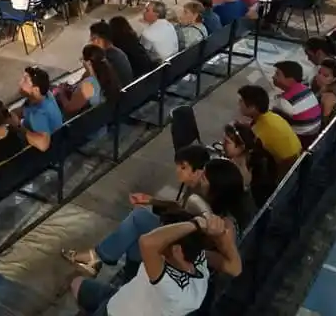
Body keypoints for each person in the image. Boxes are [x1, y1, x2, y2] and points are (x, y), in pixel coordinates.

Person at [62, 144, 213, 277]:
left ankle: (97, 257)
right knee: (137, 230)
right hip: (176, 229)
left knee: (138, 218)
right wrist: (150, 200)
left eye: (183, 167)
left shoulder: (200, 196)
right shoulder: (194, 186)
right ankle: (132, 274)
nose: (177, 170)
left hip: (182, 242)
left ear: (199, 172)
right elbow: (180, 206)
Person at [70, 212, 240, 316]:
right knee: (76, 284)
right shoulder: (198, 261)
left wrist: (196, 223)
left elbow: (147, 242)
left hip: (115, 313)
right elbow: (234, 268)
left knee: (79, 287)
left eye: (161, 233)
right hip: (124, 297)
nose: (155, 233)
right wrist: (220, 236)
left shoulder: (174, 290)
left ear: (176, 250)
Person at [237, 84, 302, 170]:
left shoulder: (261, 130)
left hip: (288, 166)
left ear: (252, 108)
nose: (239, 103)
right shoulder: (272, 116)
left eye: (242, 101)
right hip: (298, 156)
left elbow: (250, 145)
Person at [221, 121, 278, 208]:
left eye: (227, 142)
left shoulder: (249, 169)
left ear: (242, 147)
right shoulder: (243, 158)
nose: (222, 144)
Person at [58, 44, 122, 115]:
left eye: (82, 59)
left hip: (90, 122)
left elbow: (69, 109)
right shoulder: (108, 74)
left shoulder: (89, 85)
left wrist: (61, 93)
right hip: (105, 117)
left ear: (88, 63)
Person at [270, 60, 322, 145]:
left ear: (290, 79)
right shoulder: (305, 89)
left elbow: (274, 125)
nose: (273, 77)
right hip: (313, 136)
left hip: (301, 140)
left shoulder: (284, 101)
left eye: (277, 74)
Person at [11, 66, 64, 151]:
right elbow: (22, 110)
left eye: (25, 81)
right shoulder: (45, 95)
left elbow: (43, 145)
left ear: (35, 90)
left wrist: (18, 126)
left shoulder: (38, 114)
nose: (20, 83)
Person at [88, 20, 135, 87]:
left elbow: (96, 82)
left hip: (119, 94)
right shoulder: (118, 52)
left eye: (93, 39)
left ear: (99, 40)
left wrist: (89, 68)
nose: (91, 43)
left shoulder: (106, 59)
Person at [314, 56, 336, 126]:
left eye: (325, 75)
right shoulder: (331, 86)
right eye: (319, 72)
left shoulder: (329, 97)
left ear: (335, 78)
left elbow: (324, 123)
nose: (320, 77)